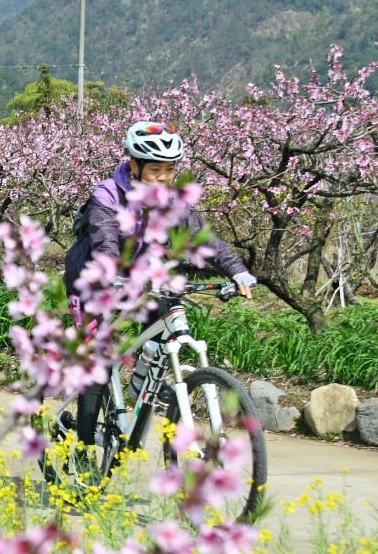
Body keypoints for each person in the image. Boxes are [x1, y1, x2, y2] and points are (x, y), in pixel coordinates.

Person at [61, 120, 257, 449]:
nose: (164, 178)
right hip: (91, 282)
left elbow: (203, 239)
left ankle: (141, 398)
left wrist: (237, 271)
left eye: (169, 169)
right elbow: (105, 240)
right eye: (155, 170)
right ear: (134, 165)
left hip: (138, 280)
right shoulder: (108, 195)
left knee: (166, 320)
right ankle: (82, 449)